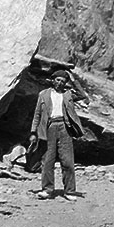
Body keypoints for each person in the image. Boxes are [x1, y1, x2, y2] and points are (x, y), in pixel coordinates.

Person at [30, 69, 87, 201]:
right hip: (48, 128)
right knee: (47, 161)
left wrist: (73, 80)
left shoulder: (68, 94)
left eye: (63, 81)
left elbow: (82, 95)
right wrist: (33, 132)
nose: (60, 83)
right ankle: (47, 190)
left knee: (67, 161)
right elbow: (37, 115)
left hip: (64, 127)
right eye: (58, 80)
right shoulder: (43, 94)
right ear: (53, 80)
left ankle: (70, 191)